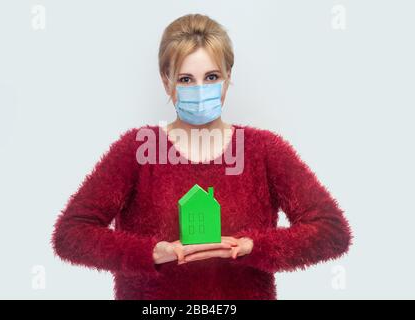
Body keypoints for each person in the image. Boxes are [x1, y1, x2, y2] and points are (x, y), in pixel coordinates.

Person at [51, 13, 352, 300]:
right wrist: (151, 253)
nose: (199, 89)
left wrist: (253, 246)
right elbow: (71, 234)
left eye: (211, 77)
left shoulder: (263, 150)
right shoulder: (137, 151)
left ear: (228, 77)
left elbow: (331, 231)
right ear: (165, 81)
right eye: (185, 79)